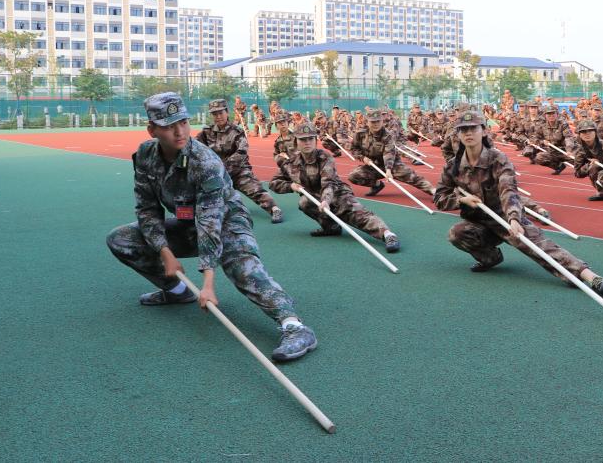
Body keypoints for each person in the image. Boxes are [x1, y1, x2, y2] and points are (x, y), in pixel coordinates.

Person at [105, 93, 317, 362]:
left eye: (183, 122)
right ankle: (177, 291)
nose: (180, 132)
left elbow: (210, 221)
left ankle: (294, 326)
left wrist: (207, 284)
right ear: (152, 130)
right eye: (169, 126)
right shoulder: (146, 155)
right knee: (122, 239)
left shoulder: (205, 162)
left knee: (243, 269)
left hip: (226, 221)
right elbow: (147, 209)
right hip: (188, 223)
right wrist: (165, 252)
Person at [433, 111, 603, 295]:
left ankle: (589, 277)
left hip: (504, 215)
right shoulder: (453, 166)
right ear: (458, 134)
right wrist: (461, 200)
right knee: (457, 233)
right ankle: (490, 258)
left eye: (473, 128)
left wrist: (514, 218)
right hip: (479, 222)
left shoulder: (498, 159)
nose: (468, 133)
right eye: (463, 129)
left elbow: (508, 190)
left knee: (540, 246)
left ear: (484, 131)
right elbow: (439, 198)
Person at [269, 122, 400, 251]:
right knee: (304, 202)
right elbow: (273, 183)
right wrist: (290, 186)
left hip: (337, 193)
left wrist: (326, 200)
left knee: (358, 215)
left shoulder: (324, 157)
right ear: (296, 142)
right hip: (315, 197)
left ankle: (388, 235)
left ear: (315, 141)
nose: (307, 142)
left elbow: (328, 183)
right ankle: (331, 227)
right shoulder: (290, 163)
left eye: (310, 139)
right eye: (303, 140)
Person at [196, 99, 284, 224]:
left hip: (238, 172)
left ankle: (275, 209)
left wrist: (222, 167)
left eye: (220, 113)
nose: (218, 116)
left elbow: (242, 152)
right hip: (216, 174)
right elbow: (195, 148)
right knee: (203, 193)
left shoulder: (236, 131)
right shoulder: (206, 132)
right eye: (215, 114)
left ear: (227, 112)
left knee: (256, 190)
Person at [349, 109, 435, 197]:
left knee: (412, 177)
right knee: (354, 176)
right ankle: (377, 185)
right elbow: (354, 148)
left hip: (393, 164)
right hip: (373, 165)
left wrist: (388, 170)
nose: (376, 124)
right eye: (373, 122)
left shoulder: (387, 135)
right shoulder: (360, 134)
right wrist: (362, 158)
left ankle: (434, 191)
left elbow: (389, 153)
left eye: (378, 121)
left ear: (382, 121)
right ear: (367, 122)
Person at [571, 119, 603, 201]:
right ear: (579, 135)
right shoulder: (579, 149)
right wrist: (588, 165)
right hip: (597, 172)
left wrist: (600, 162)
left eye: (590, 131)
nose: (587, 134)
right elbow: (578, 173)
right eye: (583, 132)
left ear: (595, 132)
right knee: (593, 167)